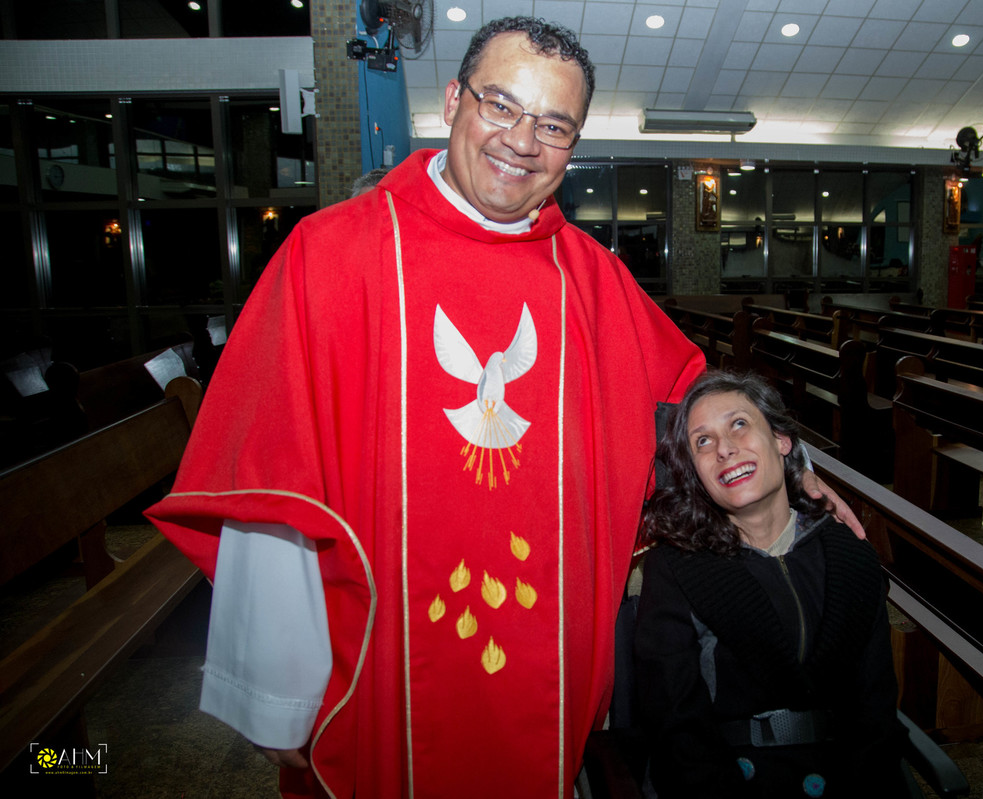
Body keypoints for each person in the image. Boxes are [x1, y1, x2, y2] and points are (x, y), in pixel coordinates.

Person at [147, 16, 860, 799]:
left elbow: (692, 398)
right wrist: (274, 687)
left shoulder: (590, 279)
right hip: (380, 667)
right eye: (502, 105)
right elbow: (272, 479)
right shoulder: (334, 254)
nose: (523, 141)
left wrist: (796, 474)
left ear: (572, 145)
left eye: (554, 125)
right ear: (454, 101)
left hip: (544, 669)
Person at [634, 370, 905, 798]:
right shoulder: (676, 568)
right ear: (695, 473)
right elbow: (676, 725)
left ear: (782, 441)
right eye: (702, 441)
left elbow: (875, 709)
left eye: (739, 424)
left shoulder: (849, 554)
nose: (724, 448)